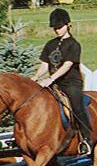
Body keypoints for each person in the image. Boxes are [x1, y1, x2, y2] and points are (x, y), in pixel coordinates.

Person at [34, 8, 91, 155]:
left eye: (60, 27)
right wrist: (35, 78)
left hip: (71, 82)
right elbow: (45, 64)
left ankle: (86, 139)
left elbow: (68, 65)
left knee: (77, 107)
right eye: (55, 28)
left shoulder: (74, 45)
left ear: (68, 25)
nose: (57, 30)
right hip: (53, 83)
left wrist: (51, 78)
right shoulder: (50, 44)